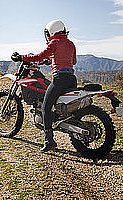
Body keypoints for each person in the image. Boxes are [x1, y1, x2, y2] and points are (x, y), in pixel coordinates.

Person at [11, 19, 77, 152]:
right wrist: (52, 59)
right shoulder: (70, 44)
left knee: (46, 107)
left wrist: (22, 57)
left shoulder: (54, 42)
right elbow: (73, 61)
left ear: (51, 32)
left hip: (60, 79)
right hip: (71, 79)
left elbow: (39, 56)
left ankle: (49, 140)